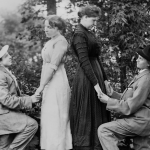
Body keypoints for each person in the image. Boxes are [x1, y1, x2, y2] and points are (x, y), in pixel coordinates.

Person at [69, 5, 111, 150]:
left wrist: (105, 80)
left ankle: (98, 145)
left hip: (96, 75)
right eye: (93, 20)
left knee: (98, 111)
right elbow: (84, 61)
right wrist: (95, 85)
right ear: (84, 17)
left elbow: (96, 58)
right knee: (87, 113)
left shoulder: (88, 32)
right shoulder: (79, 34)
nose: (94, 24)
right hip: (87, 80)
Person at [98, 45, 150, 150]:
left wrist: (108, 100)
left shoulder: (146, 79)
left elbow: (130, 106)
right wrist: (112, 93)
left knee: (104, 130)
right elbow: (130, 98)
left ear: (149, 63)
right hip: (142, 121)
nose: (137, 59)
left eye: (141, 58)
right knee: (142, 148)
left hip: (140, 121)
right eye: (138, 57)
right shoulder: (141, 76)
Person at [35, 15, 72, 150]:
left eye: (49, 27)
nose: (46, 30)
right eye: (45, 27)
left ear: (58, 28)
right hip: (48, 81)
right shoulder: (50, 41)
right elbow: (45, 66)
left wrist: (41, 87)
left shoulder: (61, 42)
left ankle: (58, 147)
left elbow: (52, 66)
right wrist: (43, 85)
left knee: (57, 116)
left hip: (57, 82)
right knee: (49, 117)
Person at [0, 45, 40, 150]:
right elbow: (6, 100)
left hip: (6, 112)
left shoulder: (5, 72)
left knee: (4, 145)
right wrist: (30, 100)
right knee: (32, 125)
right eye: (6, 56)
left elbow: (13, 96)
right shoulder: (0, 75)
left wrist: (31, 98)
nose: (10, 57)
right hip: (3, 115)